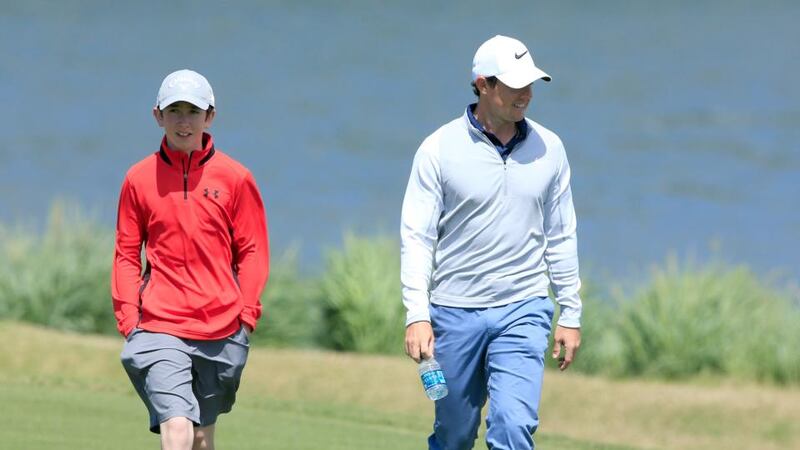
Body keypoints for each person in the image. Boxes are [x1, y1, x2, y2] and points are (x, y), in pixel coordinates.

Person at [400, 35, 582, 449]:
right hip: (454, 311)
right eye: (515, 85)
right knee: (454, 434)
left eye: (530, 84)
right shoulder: (438, 149)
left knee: (513, 427)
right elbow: (417, 238)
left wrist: (570, 311)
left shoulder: (549, 149)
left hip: (524, 306)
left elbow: (561, 234)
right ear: (483, 84)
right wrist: (417, 313)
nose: (527, 95)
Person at [111, 69, 269, 450]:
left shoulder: (236, 178)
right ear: (158, 116)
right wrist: (130, 319)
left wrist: (246, 316)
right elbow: (127, 254)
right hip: (159, 324)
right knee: (178, 426)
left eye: (193, 112)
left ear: (210, 116)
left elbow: (252, 251)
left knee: (201, 436)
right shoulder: (138, 178)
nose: (184, 121)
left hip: (222, 328)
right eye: (175, 111)